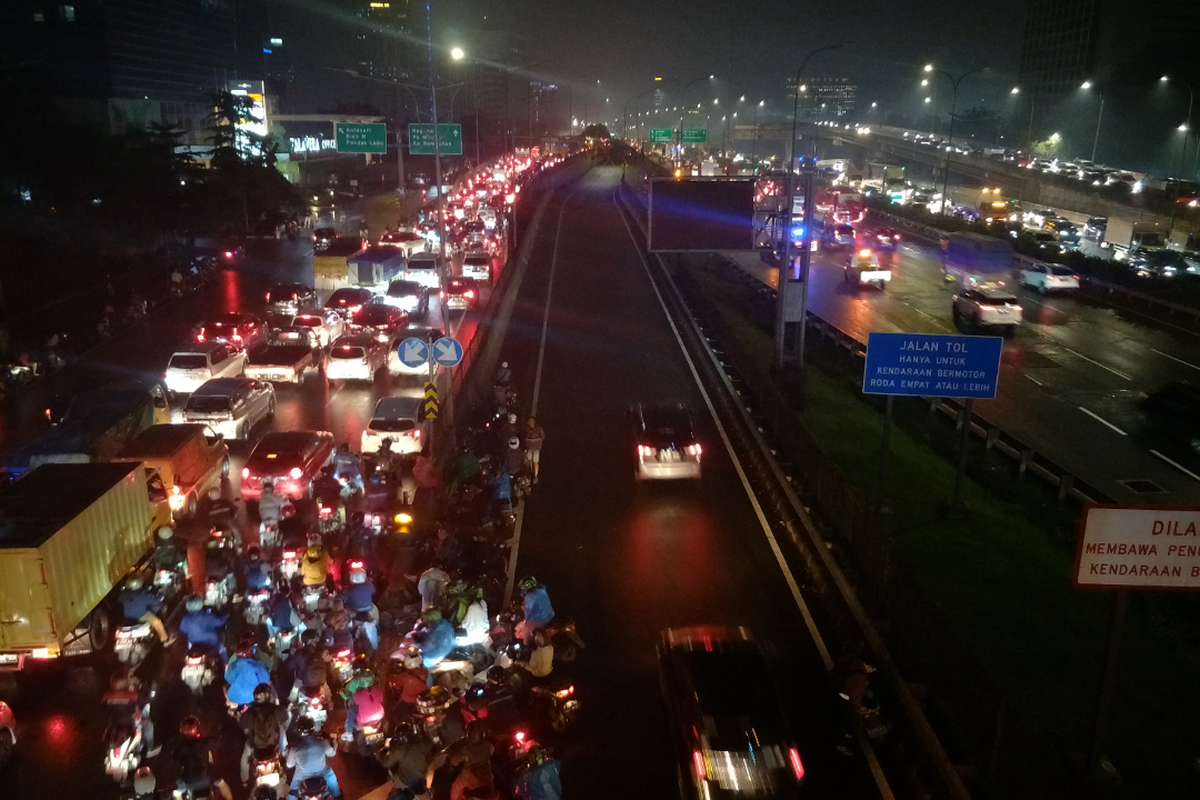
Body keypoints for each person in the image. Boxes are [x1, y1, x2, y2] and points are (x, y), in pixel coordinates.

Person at [426, 719, 495, 800]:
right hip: (487, 772)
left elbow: (453, 759)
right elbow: (491, 751)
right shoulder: (488, 744)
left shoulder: (467, 749)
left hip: (471, 777)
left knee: (455, 788)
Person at [174, 716, 234, 800]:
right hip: (206, 779)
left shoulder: (181, 747)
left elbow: (176, 758)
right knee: (221, 783)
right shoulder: (204, 743)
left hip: (189, 782)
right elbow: (216, 743)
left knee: (176, 793)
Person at [240, 682, 289, 783]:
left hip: (255, 747)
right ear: (269, 696)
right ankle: (288, 763)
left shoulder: (249, 712)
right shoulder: (275, 709)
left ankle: (244, 781)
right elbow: (285, 718)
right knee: (284, 739)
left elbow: (244, 727)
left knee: (245, 759)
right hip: (273, 745)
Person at [103, 669, 158, 758]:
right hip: (131, 721)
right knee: (149, 725)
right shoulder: (132, 695)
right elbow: (145, 700)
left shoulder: (106, 696)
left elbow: (105, 708)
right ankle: (150, 749)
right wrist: (152, 692)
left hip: (115, 722)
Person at [286, 716, 342, 799]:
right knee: (332, 779)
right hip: (322, 772)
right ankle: (337, 796)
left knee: (292, 793)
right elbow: (332, 754)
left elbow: (289, 765)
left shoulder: (295, 748)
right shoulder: (322, 743)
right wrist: (334, 742)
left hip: (301, 776)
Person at [377, 722, 433, 800]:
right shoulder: (420, 743)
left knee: (393, 795)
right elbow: (429, 744)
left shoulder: (398, 750)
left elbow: (385, 763)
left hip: (407, 780)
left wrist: (386, 748)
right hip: (423, 775)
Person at [340, 656, 384, 742]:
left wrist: (342, 692)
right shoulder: (374, 681)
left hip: (363, 714)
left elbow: (347, 695)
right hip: (378, 714)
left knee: (350, 710)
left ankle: (349, 733)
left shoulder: (356, 688)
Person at [119, 576, 171, 645]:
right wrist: (161, 595)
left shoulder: (124, 594)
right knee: (157, 622)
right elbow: (155, 601)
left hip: (128, 615)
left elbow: (120, 599)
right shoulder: (142, 595)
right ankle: (165, 640)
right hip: (140, 615)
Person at [287, 628, 333, 707]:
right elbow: (329, 660)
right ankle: (330, 702)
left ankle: (290, 705)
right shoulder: (320, 650)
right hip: (321, 681)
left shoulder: (300, 653)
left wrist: (291, 656)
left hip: (303, 681)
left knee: (294, 692)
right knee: (327, 692)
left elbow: (290, 666)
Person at [225, 635, 272, 708]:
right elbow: (266, 677)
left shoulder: (233, 665)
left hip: (234, 697)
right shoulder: (257, 665)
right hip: (254, 697)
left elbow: (227, 678)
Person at [179, 595, 228, 663]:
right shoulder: (207, 616)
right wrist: (225, 618)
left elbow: (183, 629)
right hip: (210, 641)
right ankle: (226, 666)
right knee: (221, 647)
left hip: (193, 643)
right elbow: (218, 623)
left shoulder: (185, 618)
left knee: (188, 649)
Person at [342, 567, 378, 651]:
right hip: (368, 609)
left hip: (354, 611)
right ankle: (377, 626)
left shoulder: (349, 590)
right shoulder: (369, 586)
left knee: (347, 621)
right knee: (376, 613)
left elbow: (343, 597)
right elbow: (373, 592)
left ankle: (350, 632)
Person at [389, 648, 430, 723]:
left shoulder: (406, 678)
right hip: (421, 697)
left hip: (408, 700)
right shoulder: (425, 671)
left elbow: (395, 680)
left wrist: (388, 677)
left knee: (395, 714)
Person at [524, 417, 544, 483]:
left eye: (532, 421)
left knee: (535, 462)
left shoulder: (539, 429)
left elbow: (542, 437)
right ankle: (530, 473)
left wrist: (534, 440)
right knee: (529, 461)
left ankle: (535, 476)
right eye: (529, 421)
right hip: (529, 448)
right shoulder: (527, 429)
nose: (530, 422)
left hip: (536, 449)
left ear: (534, 422)